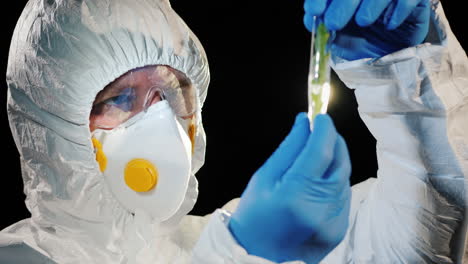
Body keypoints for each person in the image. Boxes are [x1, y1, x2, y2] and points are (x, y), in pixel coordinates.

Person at [0, 1, 466, 264]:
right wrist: (241, 251)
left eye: (172, 90)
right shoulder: (20, 257)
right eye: (119, 98)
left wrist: (407, 76)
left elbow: (428, 238)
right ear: (54, 127)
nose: (160, 119)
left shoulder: (207, 241)